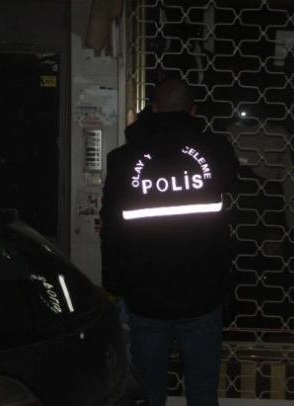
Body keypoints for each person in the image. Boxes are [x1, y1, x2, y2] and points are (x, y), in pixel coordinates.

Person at [99, 78, 239, 406]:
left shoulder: (123, 159)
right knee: (203, 393)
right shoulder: (215, 151)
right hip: (202, 296)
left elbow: (111, 227)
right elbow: (233, 181)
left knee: (148, 392)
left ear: (153, 108)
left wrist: (114, 284)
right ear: (193, 110)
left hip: (146, 297)